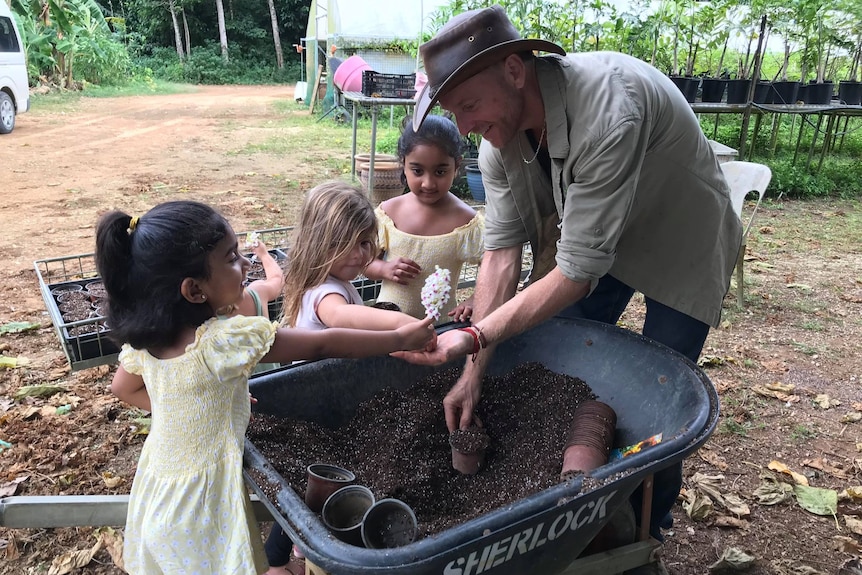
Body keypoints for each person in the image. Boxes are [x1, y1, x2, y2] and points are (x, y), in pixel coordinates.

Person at [398, 5, 743, 544]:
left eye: (468, 105)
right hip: (598, 235)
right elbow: (501, 255)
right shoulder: (498, 141)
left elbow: (577, 271)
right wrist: (472, 369)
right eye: (451, 111)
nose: (462, 128)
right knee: (559, 356)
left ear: (515, 70)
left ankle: (646, 529)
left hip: (679, 238)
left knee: (663, 396)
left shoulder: (610, 109)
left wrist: (471, 333)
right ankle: (574, 505)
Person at [97, 200, 434, 575]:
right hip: (200, 506)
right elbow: (323, 344)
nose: (244, 264)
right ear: (193, 290)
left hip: (158, 489)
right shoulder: (223, 341)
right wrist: (400, 336)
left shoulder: (147, 341)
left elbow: (122, 389)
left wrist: (202, 405)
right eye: (231, 258)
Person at [266, 180, 437, 572]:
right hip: (319, 408)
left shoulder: (325, 279)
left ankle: (290, 555)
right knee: (309, 492)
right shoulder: (327, 293)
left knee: (314, 484)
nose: (367, 254)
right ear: (326, 243)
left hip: (322, 399)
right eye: (357, 244)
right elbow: (342, 318)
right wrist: (402, 324)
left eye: (368, 242)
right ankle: (281, 561)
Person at [364, 114, 485, 324]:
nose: (428, 183)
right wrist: (383, 269)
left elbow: (493, 266)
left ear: (456, 166)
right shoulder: (388, 213)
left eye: (440, 171)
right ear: (403, 164)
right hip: (386, 328)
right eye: (418, 171)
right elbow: (363, 262)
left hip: (439, 332)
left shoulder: (466, 222)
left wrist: (476, 299)